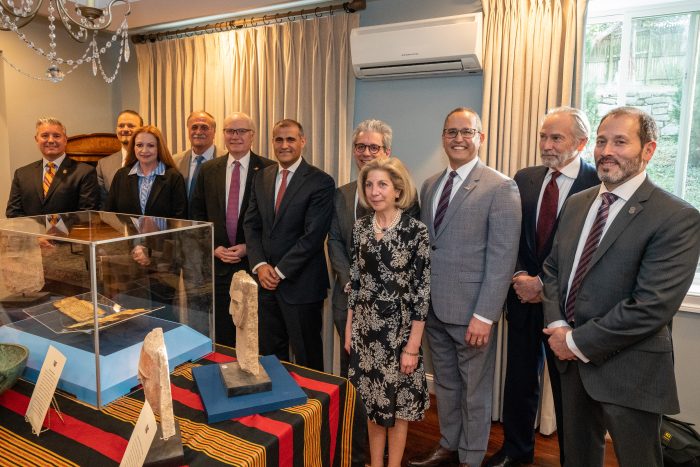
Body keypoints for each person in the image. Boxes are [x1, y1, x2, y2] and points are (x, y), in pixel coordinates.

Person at [542, 107, 700, 467]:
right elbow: (552, 270)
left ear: (649, 150)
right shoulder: (578, 203)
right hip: (572, 367)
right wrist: (557, 326)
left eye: (620, 142)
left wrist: (574, 342)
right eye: (601, 141)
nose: (606, 151)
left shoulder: (676, 217)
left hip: (630, 369)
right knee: (577, 458)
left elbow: (651, 306)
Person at [485, 107, 599, 467]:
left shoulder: (597, 184)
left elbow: (590, 252)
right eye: (543, 136)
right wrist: (521, 277)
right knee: (518, 382)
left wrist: (543, 285)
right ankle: (515, 452)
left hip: (567, 309)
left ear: (581, 143)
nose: (546, 145)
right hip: (521, 299)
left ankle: (573, 459)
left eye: (556, 138)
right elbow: (511, 235)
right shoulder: (524, 178)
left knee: (570, 393)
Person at [408, 108, 521, 467]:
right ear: (443, 137)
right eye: (451, 131)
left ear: (480, 137)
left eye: (466, 132)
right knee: (446, 385)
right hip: (434, 310)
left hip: (472, 312)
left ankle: (471, 458)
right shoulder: (430, 185)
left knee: (474, 391)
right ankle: (448, 445)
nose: (458, 138)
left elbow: (503, 258)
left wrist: (485, 315)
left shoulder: (500, 186)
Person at [345, 157, 430, 467]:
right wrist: (349, 330)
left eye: (382, 184)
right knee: (371, 404)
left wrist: (412, 347)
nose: (374, 191)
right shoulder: (360, 228)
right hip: (366, 335)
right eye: (369, 184)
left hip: (399, 334)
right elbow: (355, 281)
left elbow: (421, 293)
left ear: (398, 190)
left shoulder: (414, 231)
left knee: (398, 408)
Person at [328, 118, 419, 377]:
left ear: (387, 152)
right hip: (346, 298)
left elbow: (408, 256)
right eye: (360, 146)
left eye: (373, 147)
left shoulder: (404, 197)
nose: (366, 152)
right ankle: (351, 418)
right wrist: (349, 280)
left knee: (387, 374)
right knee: (351, 368)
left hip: (389, 305)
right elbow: (334, 240)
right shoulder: (342, 194)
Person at [244, 118, 335, 371]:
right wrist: (261, 266)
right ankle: (279, 408)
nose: (284, 145)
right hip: (265, 285)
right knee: (271, 356)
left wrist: (279, 271)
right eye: (279, 139)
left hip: (301, 286)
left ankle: (314, 408)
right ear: (273, 142)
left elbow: (313, 236)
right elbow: (251, 225)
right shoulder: (262, 177)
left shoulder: (321, 181)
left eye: (290, 139)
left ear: (302, 142)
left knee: (308, 358)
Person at [190, 112, 275, 346]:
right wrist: (213, 247)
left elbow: (273, 221)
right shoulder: (208, 170)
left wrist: (250, 248)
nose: (235, 136)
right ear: (223, 135)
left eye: (241, 131)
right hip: (218, 267)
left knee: (255, 333)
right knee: (224, 335)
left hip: (255, 267)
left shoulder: (269, 169)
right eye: (230, 131)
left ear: (252, 136)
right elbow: (196, 216)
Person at [6, 117, 99, 218]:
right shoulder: (22, 174)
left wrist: (55, 230)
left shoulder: (84, 172)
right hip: (30, 233)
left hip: (69, 233)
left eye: (56, 136)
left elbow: (87, 214)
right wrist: (36, 232)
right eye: (45, 136)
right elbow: (13, 213)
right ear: (36, 140)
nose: (50, 140)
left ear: (65, 140)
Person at [105, 125, 186, 218]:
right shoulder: (121, 175)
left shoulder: (173, 177)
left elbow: (180, 217)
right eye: (139, 145)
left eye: (150, 145)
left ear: (159, 148)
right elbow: (109, 213)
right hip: (127, 232)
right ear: (133, 148)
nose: (144, 150)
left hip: (163, 233)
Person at [173, 111, 226, 203]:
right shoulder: (175, 161)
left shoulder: (227, 160)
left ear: (214, 132)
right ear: (188, 130)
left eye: (204, 127)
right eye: (194, 127)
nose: (198, 131)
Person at [96, 109, 143, 205]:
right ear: (116, 130)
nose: (125, 129)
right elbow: (102, 204)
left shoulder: (152, 161)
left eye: (131, 126)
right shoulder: (103, 165)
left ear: (141, 130)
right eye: (121, 126)